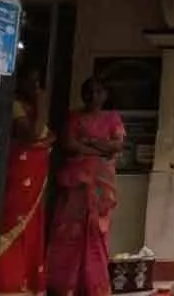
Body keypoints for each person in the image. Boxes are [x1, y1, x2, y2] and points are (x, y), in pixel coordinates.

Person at [46, 77, 125, 295]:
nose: (93, 96)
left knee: (96, 232)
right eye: (88, 92)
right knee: (69, 232)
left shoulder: (112, 118)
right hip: (76, 183)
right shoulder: (74, 117)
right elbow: (69, 145)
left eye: (98, 92)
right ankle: (65, 285)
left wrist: (87, 144)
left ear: (105, 95)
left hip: (101, 187)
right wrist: (101, 150)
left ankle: (94, 285)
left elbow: (117, 145)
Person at [0, 66, 52, 296]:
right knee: (11, 228)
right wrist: (43, 104)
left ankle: (25, 284)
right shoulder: (16, 106)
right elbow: (33, 135)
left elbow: (47, 136)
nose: (36, 87)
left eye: (39, 82)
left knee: (30, 231)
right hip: (19, 180)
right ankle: (6, 283)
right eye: (32, 81)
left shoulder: (28, 108)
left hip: (34, 184)